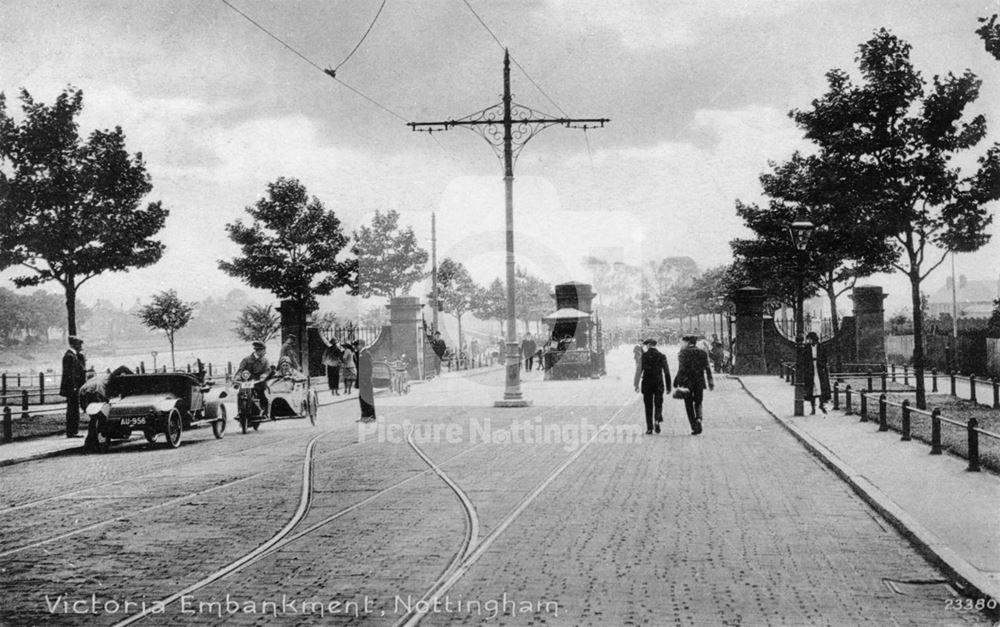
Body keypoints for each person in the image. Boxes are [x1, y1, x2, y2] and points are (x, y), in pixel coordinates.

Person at [80, 365, 133, 451]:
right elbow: (104, 394)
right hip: (95, 391)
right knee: (100, 417)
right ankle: (95, 441)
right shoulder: (111, 380)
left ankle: (90, 442)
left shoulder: (105, 376)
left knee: (94, 418)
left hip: (83, 391)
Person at [674, 334, 714, 435]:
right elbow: (707, 368)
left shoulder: (683, 353)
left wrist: (676, 380)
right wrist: (710, 382)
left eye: (682, 342)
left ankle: (694, 425)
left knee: (688, 404)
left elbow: (681, 369)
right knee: (698, 401)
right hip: (699, 382)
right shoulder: (703, 353)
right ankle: (699, 418)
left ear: (688, 343)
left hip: (687, 382)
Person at [633, 339, 672, 434]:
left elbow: (639, 370)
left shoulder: (644, 356)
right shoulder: (662, 356)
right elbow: (666, 372)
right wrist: (668, 386)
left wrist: (636, 384)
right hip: (658, 383)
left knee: (648, 406)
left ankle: (649, 428)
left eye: (647, 345)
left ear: (649, 345)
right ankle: (657, 419)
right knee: (658, 403)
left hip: (647, 383)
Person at [60, 336, 87, 438]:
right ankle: (71, 431)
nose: (80, 346)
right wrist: (74, 387)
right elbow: (70, 374)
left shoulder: (73, 355)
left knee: (73, 409)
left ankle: (73, 431)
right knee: (72, 409)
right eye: (79, 344)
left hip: (73, 387)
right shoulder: (70, 356)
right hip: (72, 388)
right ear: (74, 345)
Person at [236, 341, 272, 410]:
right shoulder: (246, 360)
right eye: (264, 351)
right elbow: (241, 369)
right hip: (247, 382)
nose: (265, 352)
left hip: (259, 382)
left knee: (263, 394)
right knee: (240, 394)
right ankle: (240, 412)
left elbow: (268, 370)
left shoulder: (265, 361)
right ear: (259, 351)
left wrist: (264, 375)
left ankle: (264, 410)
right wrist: (238, 376)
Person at [804, 331, 831, 415]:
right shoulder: (807, 347)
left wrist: (821, 364)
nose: (809, 341)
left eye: (810, 339)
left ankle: (821, 404)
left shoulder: (821, 347)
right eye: (808, 340)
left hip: (819, 369)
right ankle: (813, 408)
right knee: (812, 389)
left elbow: (825, 358)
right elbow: (804, 358)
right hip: (811, 369)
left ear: (814, 339)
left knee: (821, 387)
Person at [356, 338, 376, 423]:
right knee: (362, 398)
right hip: (362, 381)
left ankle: (371, 417)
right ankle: (364, 416)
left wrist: (365, 379)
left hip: (366, 381)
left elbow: (369, 368)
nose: (356, 347)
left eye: (357, 345)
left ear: (361, 345)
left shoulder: (366, 354)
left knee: (367, 398)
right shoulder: (361, 354)